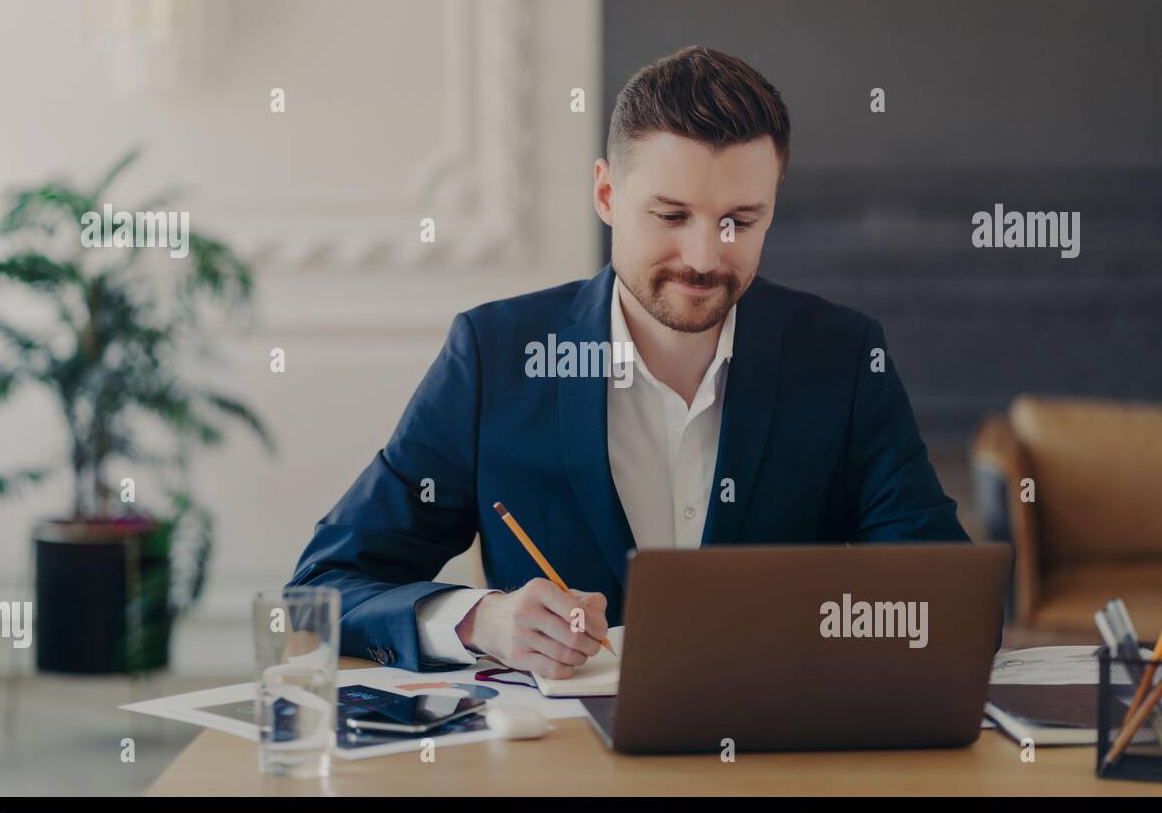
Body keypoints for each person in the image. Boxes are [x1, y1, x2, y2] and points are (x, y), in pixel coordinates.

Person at [289, 45, 969, 677]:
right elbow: (322, 589)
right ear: (608, 195)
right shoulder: (494, 356)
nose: (705, 257)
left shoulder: (844, 357)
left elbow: (958, 604)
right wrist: (479, 621)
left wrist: (826, 627)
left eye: (740, 221)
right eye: (672, 216)